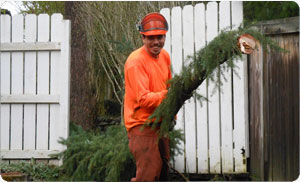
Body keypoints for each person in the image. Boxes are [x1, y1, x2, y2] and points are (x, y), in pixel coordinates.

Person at [124, 12, 172, 181]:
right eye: (151, 38)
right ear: (143, 37)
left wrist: (171, 114)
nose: (156, 42)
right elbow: (143, 99)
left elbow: (168, 85)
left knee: (164, 171)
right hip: (141, 125)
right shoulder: (136, 62)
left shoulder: (165, 56)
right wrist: (170, 95)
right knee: (148, 174)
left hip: (160, 123)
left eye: (160, 37)